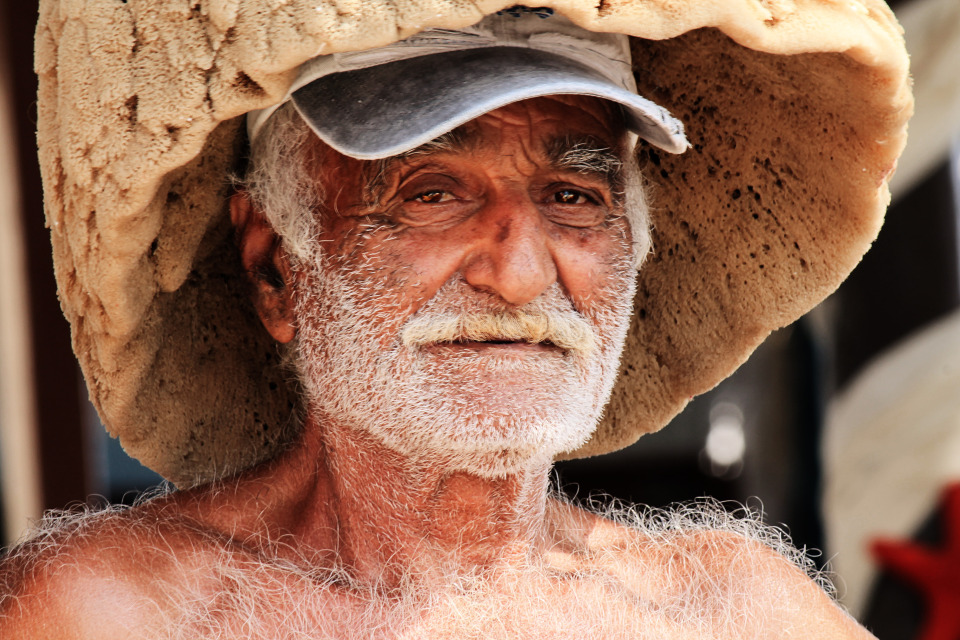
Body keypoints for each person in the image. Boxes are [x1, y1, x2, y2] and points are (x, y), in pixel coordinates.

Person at [2, 3, 910, 638]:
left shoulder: (735, 617)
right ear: (276, 266)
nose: (519, 276)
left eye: (573, 195)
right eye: (432, 194)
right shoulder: (113, 617)